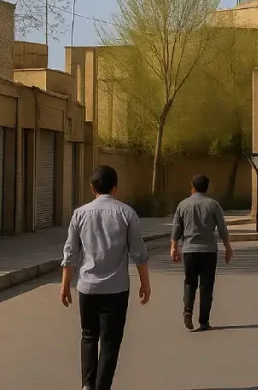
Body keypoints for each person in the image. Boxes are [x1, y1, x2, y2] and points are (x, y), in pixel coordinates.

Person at [61, 165, 151, 390]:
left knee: (88, 336)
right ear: (115, 187)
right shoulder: (126, 213)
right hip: (116, 290)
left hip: (87, 288)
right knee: (110, 343)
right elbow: (138, 253)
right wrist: (145, 283)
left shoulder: (80, 214)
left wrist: (65, 285)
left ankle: (87, 385)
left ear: (92, 188)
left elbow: (71, 253)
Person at [171, 174, 233, 332]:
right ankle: (204, 321)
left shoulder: (183, 205)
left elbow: (177, 227)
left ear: (192, 186)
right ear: (207, 187)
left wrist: (174, 247)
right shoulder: (213, 205)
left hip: (189, 250)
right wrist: (227, 246)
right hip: (208, 251)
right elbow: (222, 227)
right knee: (206, 287)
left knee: (190, 283)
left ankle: (187, 311)